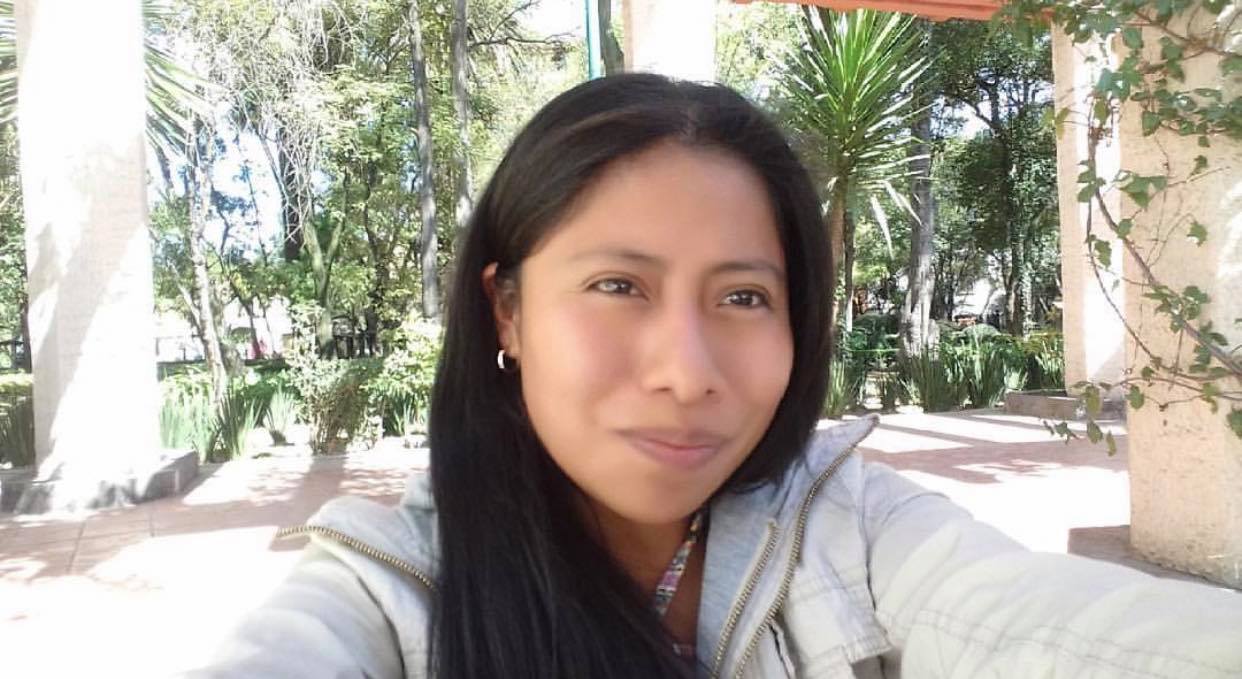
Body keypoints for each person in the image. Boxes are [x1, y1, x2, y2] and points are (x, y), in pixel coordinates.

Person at [184, 74, 1242, 679]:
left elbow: (1047, 626)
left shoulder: (853, 530)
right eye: (617, 285)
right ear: (506, 309)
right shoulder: (392, 591)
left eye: (742, 297)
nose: (688, 373)